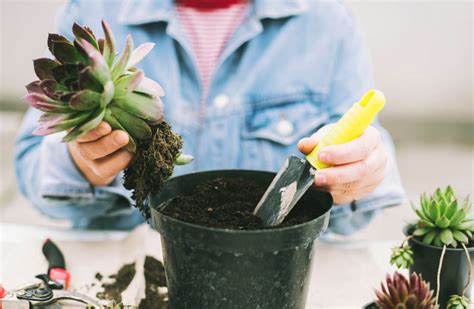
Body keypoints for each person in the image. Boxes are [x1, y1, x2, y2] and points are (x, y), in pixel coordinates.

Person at [14, 0, 405, 233]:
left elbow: (362, 147)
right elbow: (30, 165)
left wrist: (360, 172)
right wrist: (78, 163)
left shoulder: (325, 20)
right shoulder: (95, 11)